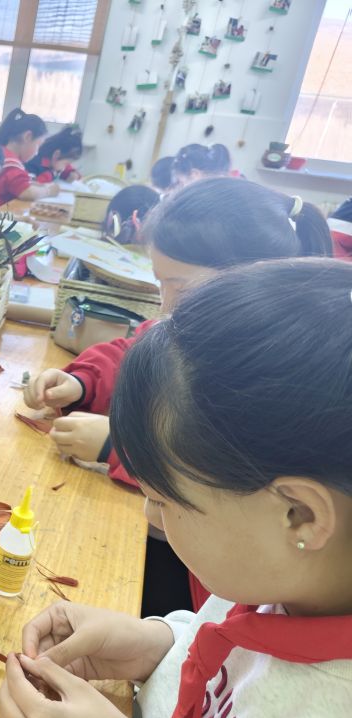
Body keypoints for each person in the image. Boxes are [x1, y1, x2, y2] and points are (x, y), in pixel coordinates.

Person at [0, 258, 352, 718]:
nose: (150, 516)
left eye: (162, 500)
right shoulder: (285, 572)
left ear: (301, 514)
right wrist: (159, 646)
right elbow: (234, 643)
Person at [24, 178, 332, 616]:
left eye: (180, 287)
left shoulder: (273, 383)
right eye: (160, 283)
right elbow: (135, 353)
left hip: (212, 585)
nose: (166, 304)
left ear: (250, 281)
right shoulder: (194, 330)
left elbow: (219, 480)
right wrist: (83, 382)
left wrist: (117, 449)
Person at [0, 108, 55, 206]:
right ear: (27, 137)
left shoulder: (1, 152)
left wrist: (40, 185)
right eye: (38, 145)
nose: (37, 153)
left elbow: (21, 182)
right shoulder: (11, 164)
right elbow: (28, 193)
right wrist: (49, 191)